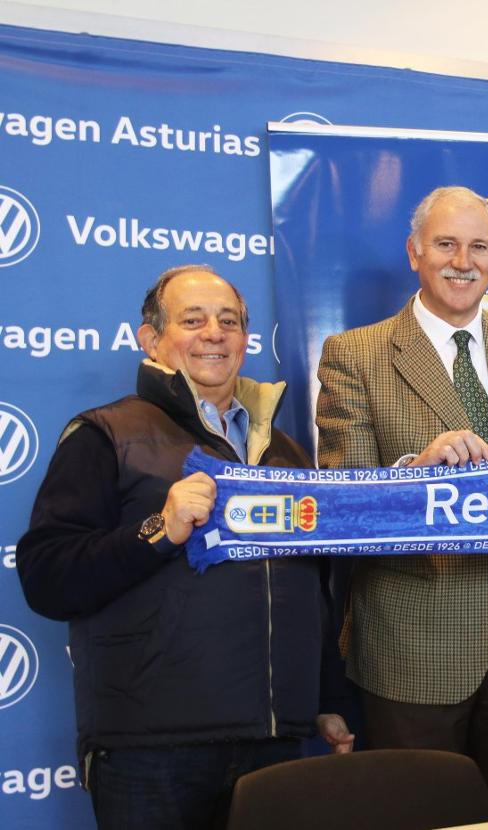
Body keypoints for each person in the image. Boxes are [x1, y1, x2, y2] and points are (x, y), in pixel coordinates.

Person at [17, 265, 352, 830]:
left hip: (274, 744)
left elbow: (313, 586)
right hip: (152, 751)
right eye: (192, 320)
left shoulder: (286, 452)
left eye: (229, 321)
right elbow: (47, 576)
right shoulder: (106, 435)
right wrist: (159, 531)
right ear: (152, 339)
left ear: (246, 338)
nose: (214, 333)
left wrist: (322, 694)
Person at [315, 185, 488, 819]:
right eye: (446, 244)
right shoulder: (354, 354)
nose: (462, 261)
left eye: (479, 246)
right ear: (415, 252)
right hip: (412, 643)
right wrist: (416, 471)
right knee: (420, 815)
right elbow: (342, 503)